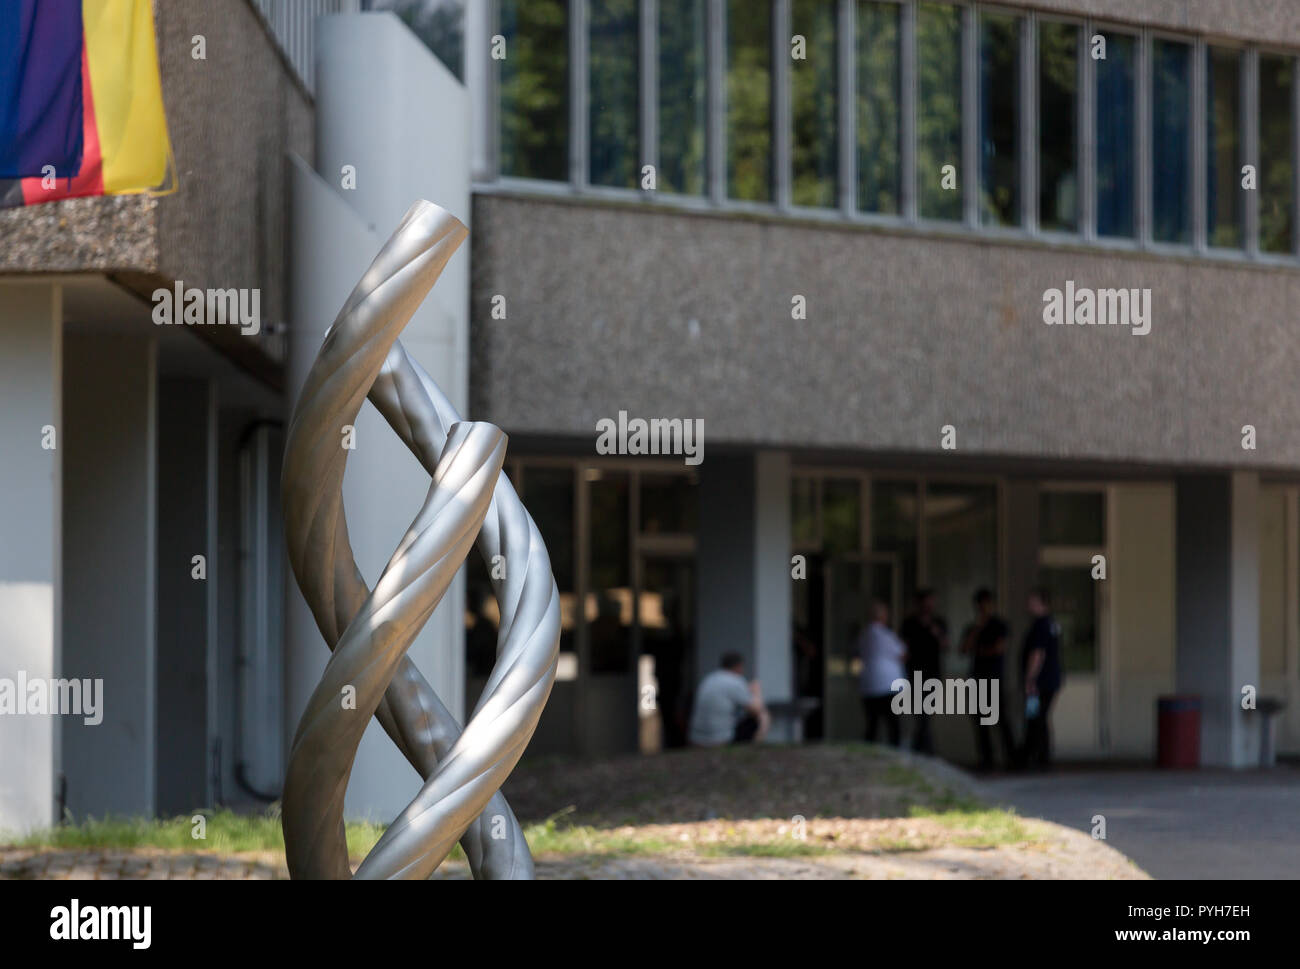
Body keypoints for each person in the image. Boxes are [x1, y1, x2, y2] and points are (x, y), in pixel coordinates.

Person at [960, 588, 1017, 771]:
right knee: (980, 721)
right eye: (979, 605)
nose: (983, 608)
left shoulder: (1000, 625)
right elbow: (964, 649)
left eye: (985, 604)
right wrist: (977, 629)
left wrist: (982, 651)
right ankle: (986, 758)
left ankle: (1011, 757)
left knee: (1000, 719)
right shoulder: (973, 627)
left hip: (994, 678)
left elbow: (999, 648)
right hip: (977, 678)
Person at [899, 588, 948, 754]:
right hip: (913, 673)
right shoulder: (909, 623)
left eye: (931, 603)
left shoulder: (939, 623)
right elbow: (902, 649)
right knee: (920, 714)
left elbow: (946, 646)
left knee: (926, 714)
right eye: (925, 603)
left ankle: (917, 750)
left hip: (933, 673)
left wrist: (937, 633)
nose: (928, 607)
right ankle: (928, 752)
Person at [1021, 587, 1063, 770]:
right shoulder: (1052, 624)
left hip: (1040, 681)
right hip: (1050, 679)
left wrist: (1030, 679)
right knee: (1039, 717)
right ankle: (1039, 755)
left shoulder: (1040, 625)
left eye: (1032, 601)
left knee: (1036, 718)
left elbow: (1037, 654)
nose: (1029, 605)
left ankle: (1037, 757)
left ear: (1041, 603)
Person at [688, 653, 770, 746]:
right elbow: (757, 709)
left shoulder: (709, 679)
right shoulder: (735, 681)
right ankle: (756, 747)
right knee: (763, 715)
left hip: (697, 739)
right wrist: (756, 692)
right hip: (720, 739)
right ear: (738, 666)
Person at [858, 600, 907, 746]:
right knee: (893, 725)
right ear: (883, 616)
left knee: (872, 724)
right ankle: (895, 755)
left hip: (868, 685)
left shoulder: (863, 635)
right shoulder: (885, 635)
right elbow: (902, 654)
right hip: (887, 686)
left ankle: (868, 754)